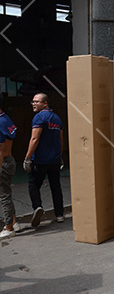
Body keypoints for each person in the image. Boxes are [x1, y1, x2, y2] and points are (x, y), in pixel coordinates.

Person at [24, 93, 65, 228]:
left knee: (33, 184)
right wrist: (59, 156)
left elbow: (34, 139)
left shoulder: (39, 117)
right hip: (54, 160)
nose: (34, 104)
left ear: (45, 103)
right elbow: (60, 140)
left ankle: (37, 207)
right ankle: (59, 214)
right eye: (33, 101)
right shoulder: (57, 119)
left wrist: (27, 157)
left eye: (37, 102)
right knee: (55, 186)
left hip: (40, 160)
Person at [0, 95, 18, 238]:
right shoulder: (5, 118)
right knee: (7, 193)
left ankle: (9, 228)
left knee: (4, 196)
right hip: (9, 159)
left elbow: (0, 150)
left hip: (3, 162)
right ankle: (14, 222)